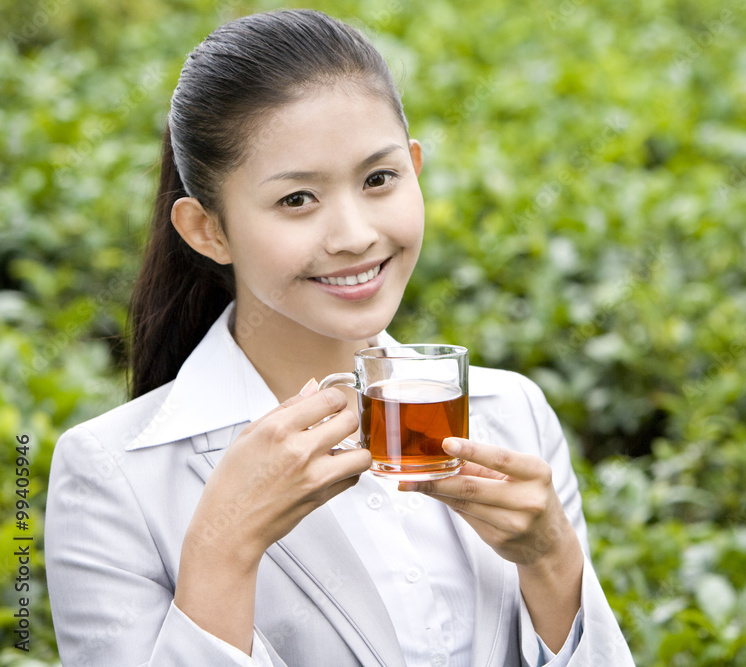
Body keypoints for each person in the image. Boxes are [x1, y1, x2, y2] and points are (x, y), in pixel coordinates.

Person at [44, 9, 634, 666]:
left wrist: (553, 563)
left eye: (379, 179)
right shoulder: (112, 475)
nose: (354, 234)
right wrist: (223, 548)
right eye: (297, 199)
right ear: (206, 229)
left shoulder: (510, 413)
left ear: (414, 169)